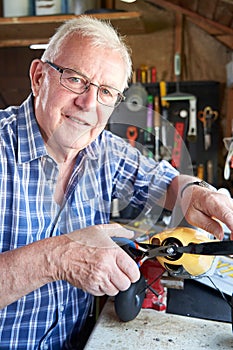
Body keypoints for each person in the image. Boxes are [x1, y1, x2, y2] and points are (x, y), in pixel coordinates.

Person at [0, 15, 233, 349]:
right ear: (39, 77)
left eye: (106, 92)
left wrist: (196, 193)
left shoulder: (103, 150)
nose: (88, 104)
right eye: (75, 79)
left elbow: (165, 184)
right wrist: (57, 258)